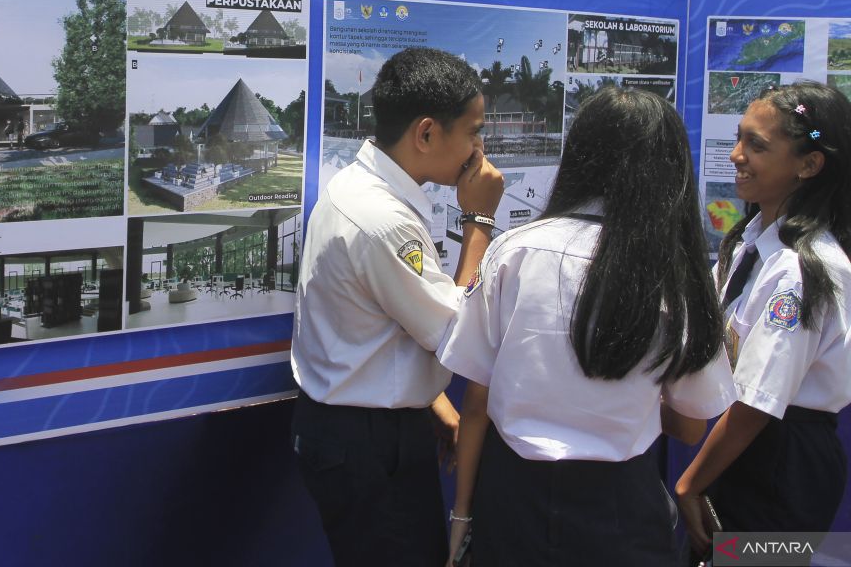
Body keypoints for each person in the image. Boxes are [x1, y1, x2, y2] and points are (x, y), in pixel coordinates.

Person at [442, 86, 736, 566]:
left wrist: (461, 515)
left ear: (579, 155)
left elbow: (477, 402)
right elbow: (690, 424)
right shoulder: (673, 273)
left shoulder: (513, 251)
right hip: (621, 504)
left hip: (514, 498)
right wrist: (625, 400)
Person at [290, 47, 505, 567]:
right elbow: (456, 334)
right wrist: (479, 219)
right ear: (426, 133)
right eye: (473, 133)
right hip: (367, 441)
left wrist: (432, 402)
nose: (480, 149)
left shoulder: (359, 187)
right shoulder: (382, 219)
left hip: (360, 427)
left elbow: (378, 326)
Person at [676, 81, 851, 554]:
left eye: (756, 145)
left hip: (779, 461)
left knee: (752, 561)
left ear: (808, 165)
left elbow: (758, 402)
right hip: (741, 447)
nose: (736, 155)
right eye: (739, 138)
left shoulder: (803, 268)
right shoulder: (749, 243)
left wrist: (690, 484)